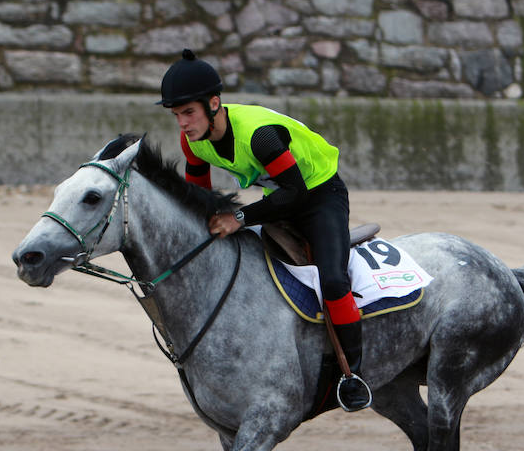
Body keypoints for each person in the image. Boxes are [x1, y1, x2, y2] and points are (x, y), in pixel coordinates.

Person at [158, 49, 372, 412]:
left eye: (188, 112)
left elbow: (297, 193)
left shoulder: (260, 136)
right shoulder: (192, 140)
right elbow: (199, 196)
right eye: (176, 115)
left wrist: (238, 218)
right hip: (280, 196)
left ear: (214, 104)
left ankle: (353, 375)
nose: (182, 123)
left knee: (333, 280)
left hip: (320, 196)